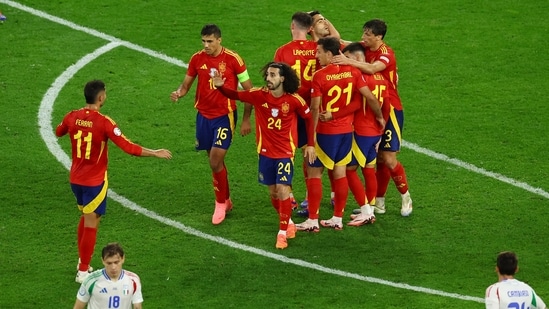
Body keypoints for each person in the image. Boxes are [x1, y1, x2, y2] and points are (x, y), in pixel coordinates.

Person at [56, 80, 172, 283]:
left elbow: (59, 131)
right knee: (92, 221)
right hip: (94, 181)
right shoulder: (104, 122)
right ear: (101, 98)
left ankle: (81, 262)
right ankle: (83, 271)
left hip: (75, 178)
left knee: (86, 217)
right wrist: (155, 152)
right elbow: (129, 147)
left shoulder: (72, 116)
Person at [213, 62, 316, 249]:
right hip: (265, 153)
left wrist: (310, 145)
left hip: (285, 152)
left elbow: (309, 119)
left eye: (273, 75)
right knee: (273, 193)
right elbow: (236, 95)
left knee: (283, 189)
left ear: (282, 78)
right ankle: (289, 223)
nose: (268, 78)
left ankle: (282, 233)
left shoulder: (294, 100)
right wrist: (221, 87)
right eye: (267, 74)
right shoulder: (259, 95)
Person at [296, 37, 384, 232]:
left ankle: (312, 220)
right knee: (340, 173)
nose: (316, 56)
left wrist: (311, 141)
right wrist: (380, 118)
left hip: (326, 133)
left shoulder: (319, 76)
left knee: (314, 173)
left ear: (329, 53)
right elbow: (367, 98)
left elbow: (315, 109)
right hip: (346, 133)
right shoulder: (353, 71)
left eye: (319, 52)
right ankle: (337, 218)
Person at [170, 24, 253, 225]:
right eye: (203, 41)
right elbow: (187, 83)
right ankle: (226, 199)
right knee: (215, 161)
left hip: (224, 116)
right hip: (203, 116)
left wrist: (245, 120)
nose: (206, 45)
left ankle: (219, 204)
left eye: (209, 41)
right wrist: (179, 92)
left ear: (219, 40)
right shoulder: (197, 58)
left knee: (215, 160)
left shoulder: (233, 59)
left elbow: (249, 91)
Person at [332, 19, 413, 217]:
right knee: (377, 159)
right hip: (369, 109)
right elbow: (339, 41)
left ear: (379, 37)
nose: (363, 37)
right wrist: (323, 21)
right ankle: (379, 202)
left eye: (368, 34)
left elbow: (372, 69)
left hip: (390, 108)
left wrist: (348, 61)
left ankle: (406, 196)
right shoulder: (365, 48)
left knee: (388, 157)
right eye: (364, 33)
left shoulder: (386, 54)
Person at [321, 42, 391, 226]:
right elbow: (386, 104)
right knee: (369, 169)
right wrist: (381, 121)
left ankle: (366, 211)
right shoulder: (381, 78)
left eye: (347, 58)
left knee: (348, 170)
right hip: (375, 131)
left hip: (361, 130)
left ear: (358, 58)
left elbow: (367, 100)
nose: (344, 61)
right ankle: (371, 206)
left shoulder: (358, 76)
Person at [273, 12, 317, 211]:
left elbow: (276, 81)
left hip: (290, 107)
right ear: (310, 28)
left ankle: (288, 195)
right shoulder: (318, 48)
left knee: (286, 151)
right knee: (310, 151)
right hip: (313, 108)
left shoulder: (282, 51)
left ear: (292, 26)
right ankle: (310, 196)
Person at [73, 243, 143, 309]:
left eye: (116, 262)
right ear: (103, 261)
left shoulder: (133, 280)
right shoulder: (91, 280)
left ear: (123, 258)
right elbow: (78, 307)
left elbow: (137, 306)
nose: (113, 267)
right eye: (109, 263)